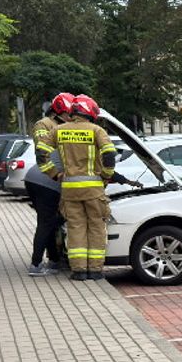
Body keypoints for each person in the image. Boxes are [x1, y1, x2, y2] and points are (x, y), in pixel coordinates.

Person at [53, 94, 117, 281]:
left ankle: (79, 271)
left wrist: (53, 173)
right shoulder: (96, 130)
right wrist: (106, 174)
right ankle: (95, 271)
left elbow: (42, 151)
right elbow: (109, 154)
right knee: (96, 227)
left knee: (75, 227)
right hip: (93, 190)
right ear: (90, 111)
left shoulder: (59, 130)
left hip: (69, 190)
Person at [27, 92, 76, 276]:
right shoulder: (44, 124)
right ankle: (36, 264)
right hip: (45, 179)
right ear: (57, 112)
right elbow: (43, 149)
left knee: (52, 222)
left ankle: (54, 261)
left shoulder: (64, 125)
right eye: (66, 114)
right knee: (47, 222)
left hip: (47, 179)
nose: (69, 118)